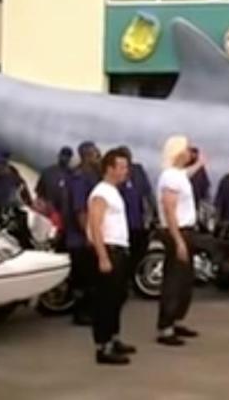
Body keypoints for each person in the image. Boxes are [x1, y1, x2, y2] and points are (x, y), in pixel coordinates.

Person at [86, 148, 137, 365]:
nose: (126, 171)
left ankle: (114, 338)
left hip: (119, 249)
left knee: (118, 297)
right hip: (109, 249)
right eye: (122, 167)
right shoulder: (101, 192)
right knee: (106, 301)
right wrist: (103, 257)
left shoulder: (114, 191)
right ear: (110, 169)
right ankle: (103, 347)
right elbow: (95, 225)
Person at [155, 135, 203, 346]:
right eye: (186, 149)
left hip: (184, 231)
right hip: (177, 232)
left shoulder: (177, 175)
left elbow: (186, 174)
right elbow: (169, 209)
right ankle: (165, 327)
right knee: (174, 282)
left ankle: (174, 321)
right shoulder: (170, 177)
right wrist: (178, 240)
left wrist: (200, 164)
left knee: (184, 281)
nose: (189, 153)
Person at [68, 141, 103, 326]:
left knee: (92, 278)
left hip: (90, 235)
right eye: (96, 154)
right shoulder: (80, 178)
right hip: (81, 239)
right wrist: (89, 235)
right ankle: (81, 313)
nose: (99, 157)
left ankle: (89, 310)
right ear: (87, 156)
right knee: (84, 278)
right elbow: (80, 210)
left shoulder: (93, 175)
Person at [116, 146, 155, 281]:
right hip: (122, 223)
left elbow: (148, 192)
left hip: (138, 221)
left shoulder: (138, 170)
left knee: (140, 250)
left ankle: (132, 276)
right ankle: (123, 278)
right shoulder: (116, 174)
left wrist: (154, 213)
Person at [34, 147, 75, 233]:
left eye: (68, 156)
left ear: (70, 159)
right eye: (63, 155)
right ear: (59, 156)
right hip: (47, 212)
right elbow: (39, 193)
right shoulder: (48, 172)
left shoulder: (73, 175)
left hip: (65, 215)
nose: (65, 158)